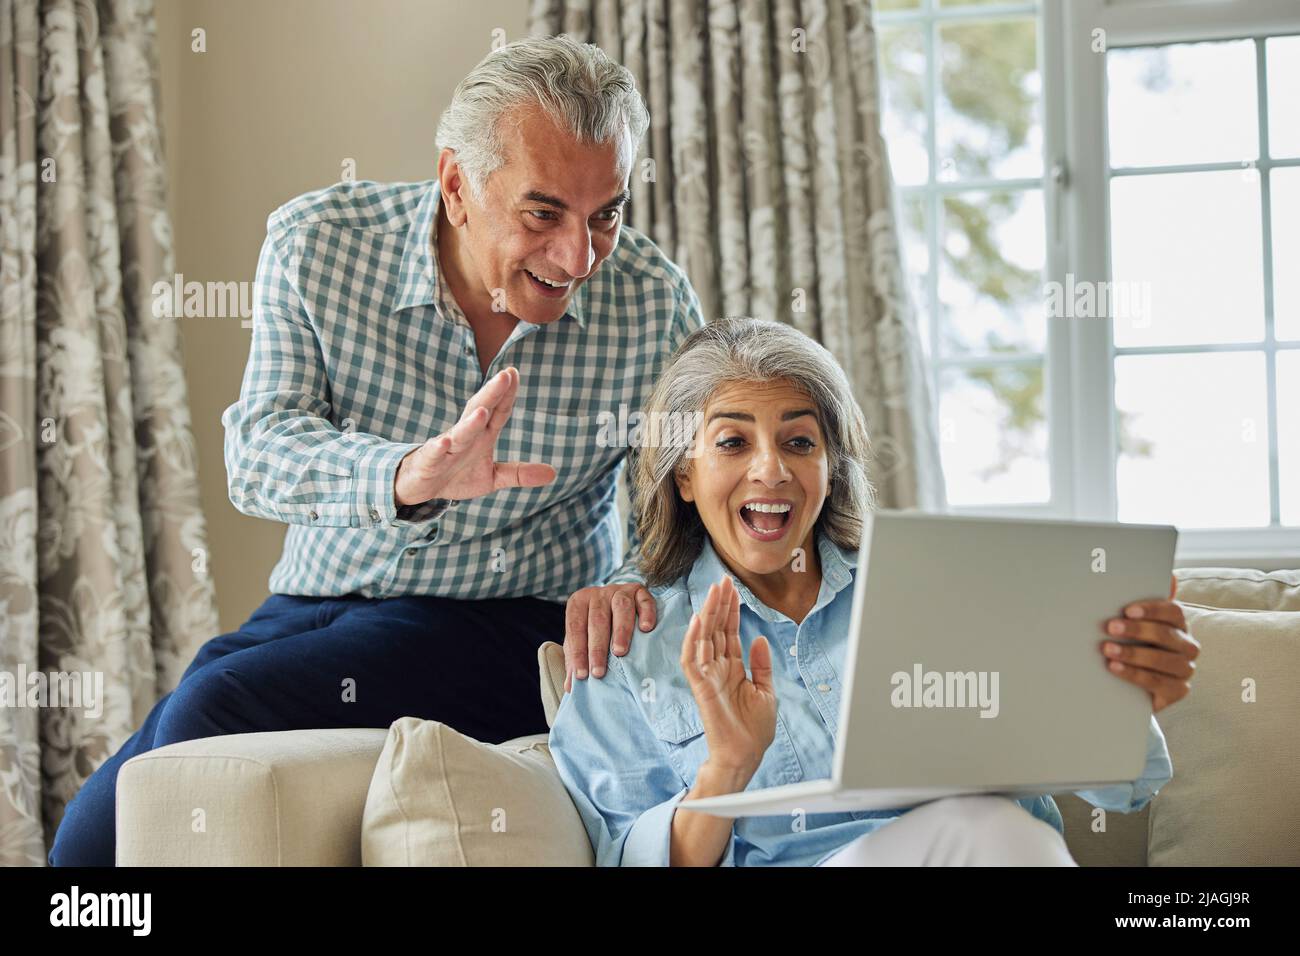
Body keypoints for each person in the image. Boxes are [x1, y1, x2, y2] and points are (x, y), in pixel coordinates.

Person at [49, 35, 699, 866]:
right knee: (88, 837)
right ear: (457, 185)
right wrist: (401, 477)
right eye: (544, 212)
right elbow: (258, 451)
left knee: (206, 712)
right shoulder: (318, 243)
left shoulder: (650, 302)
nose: (579, 256)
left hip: (504, 621)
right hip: (312, 607)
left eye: (604, 213)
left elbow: (690, 501)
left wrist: (626, 585)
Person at [548, 318, 1200, 866]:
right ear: (684, 476)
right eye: (732, 441)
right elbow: (621, 854)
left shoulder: (947, 590)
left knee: (990, 828)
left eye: (799, 441)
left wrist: (1119, 694)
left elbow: (1125, 790)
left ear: (830, 470)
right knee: (986, 830)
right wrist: (727, 767)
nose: (770, 468)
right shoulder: (627, 644)